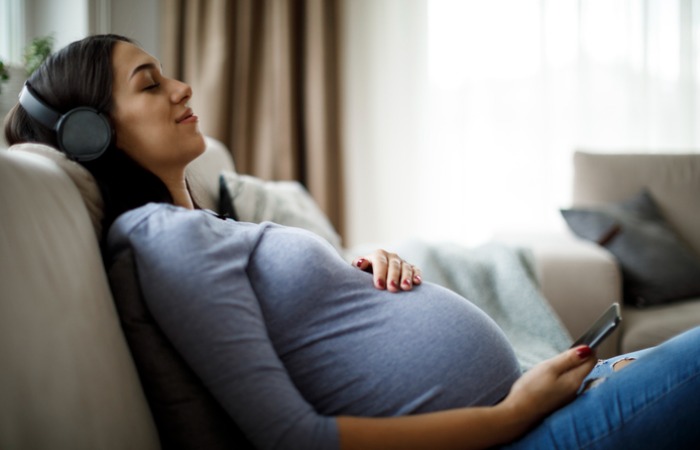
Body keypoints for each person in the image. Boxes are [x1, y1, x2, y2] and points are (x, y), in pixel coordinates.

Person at [4, 34, 700, 450]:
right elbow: (293, 439)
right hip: (522, 433)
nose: (183, 87)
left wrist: (352, 274)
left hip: (535, 410)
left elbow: (304, 326)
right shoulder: (162, 240)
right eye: (150, 84)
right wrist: (510, 413)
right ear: (92, 132)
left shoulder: (201, 225)